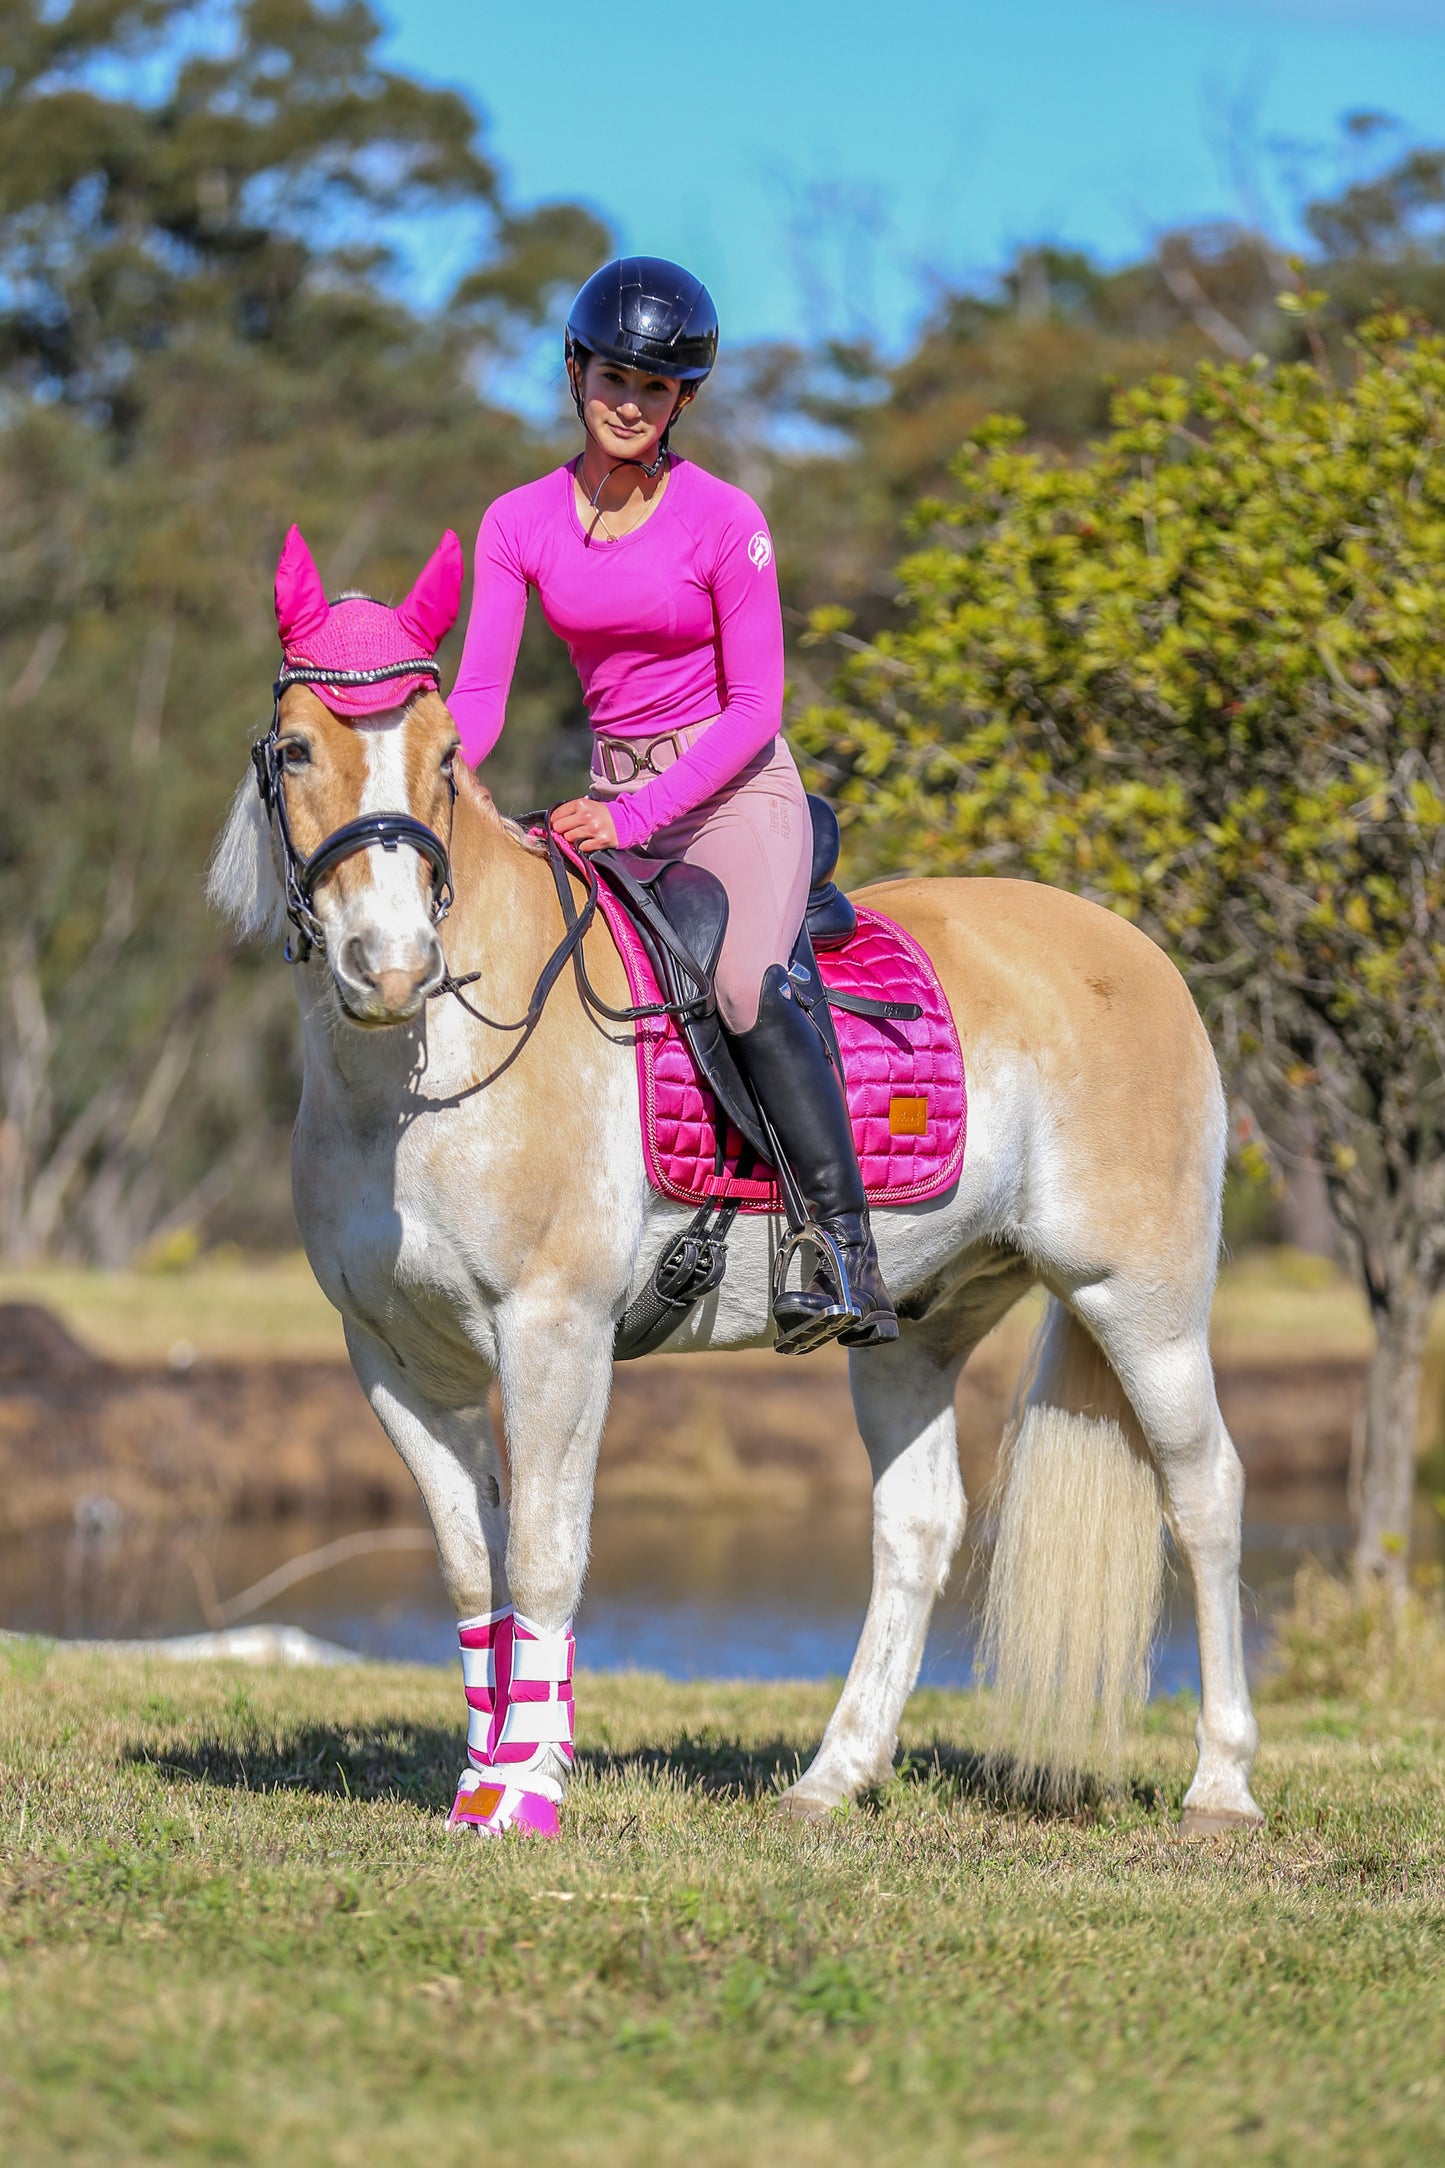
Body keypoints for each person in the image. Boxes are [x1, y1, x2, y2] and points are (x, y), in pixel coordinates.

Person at [449, 256, 896, 1352]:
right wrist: (430, 780)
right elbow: (480, 696)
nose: (628, 403)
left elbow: (754, 707)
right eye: (611, 376)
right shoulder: (517, 522)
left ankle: (838, 1245)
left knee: (744, 977)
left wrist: (638, 820)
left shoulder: (724, 518)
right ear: (572, 368)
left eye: (654, 388)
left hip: (732, 790)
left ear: (681, 399)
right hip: (608, 789)